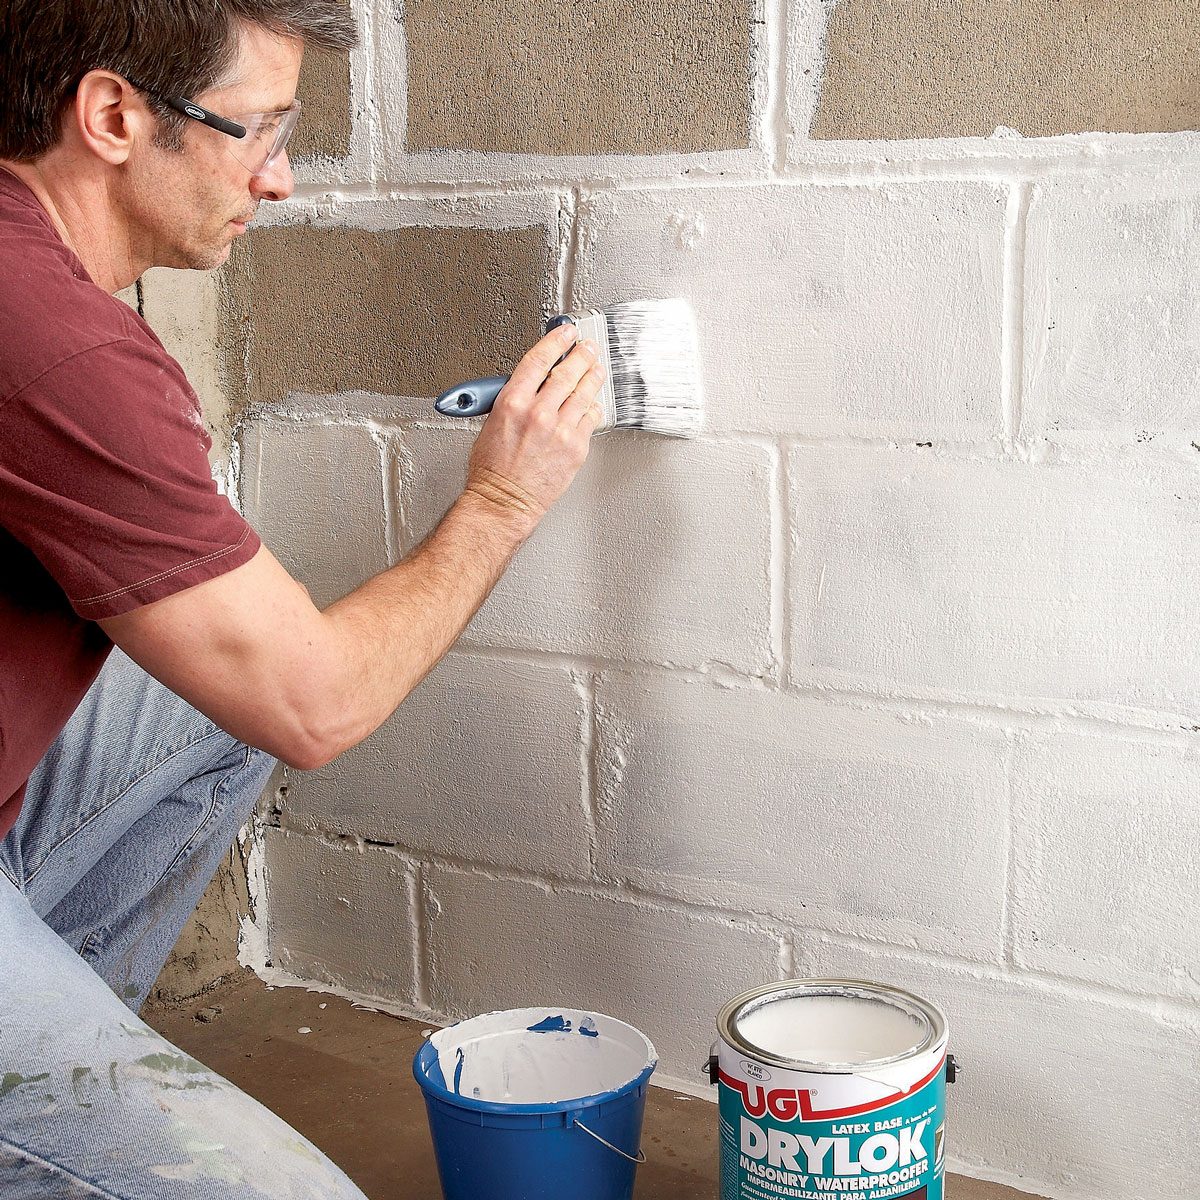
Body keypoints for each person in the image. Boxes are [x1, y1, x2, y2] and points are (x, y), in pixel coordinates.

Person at [0, 2, 606, 1195]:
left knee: (211, 691)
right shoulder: (54, 342)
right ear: (115, 116)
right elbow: (316, 707)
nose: (277, 182)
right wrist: (498, 507)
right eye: (257, 131)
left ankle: (55, 1108)